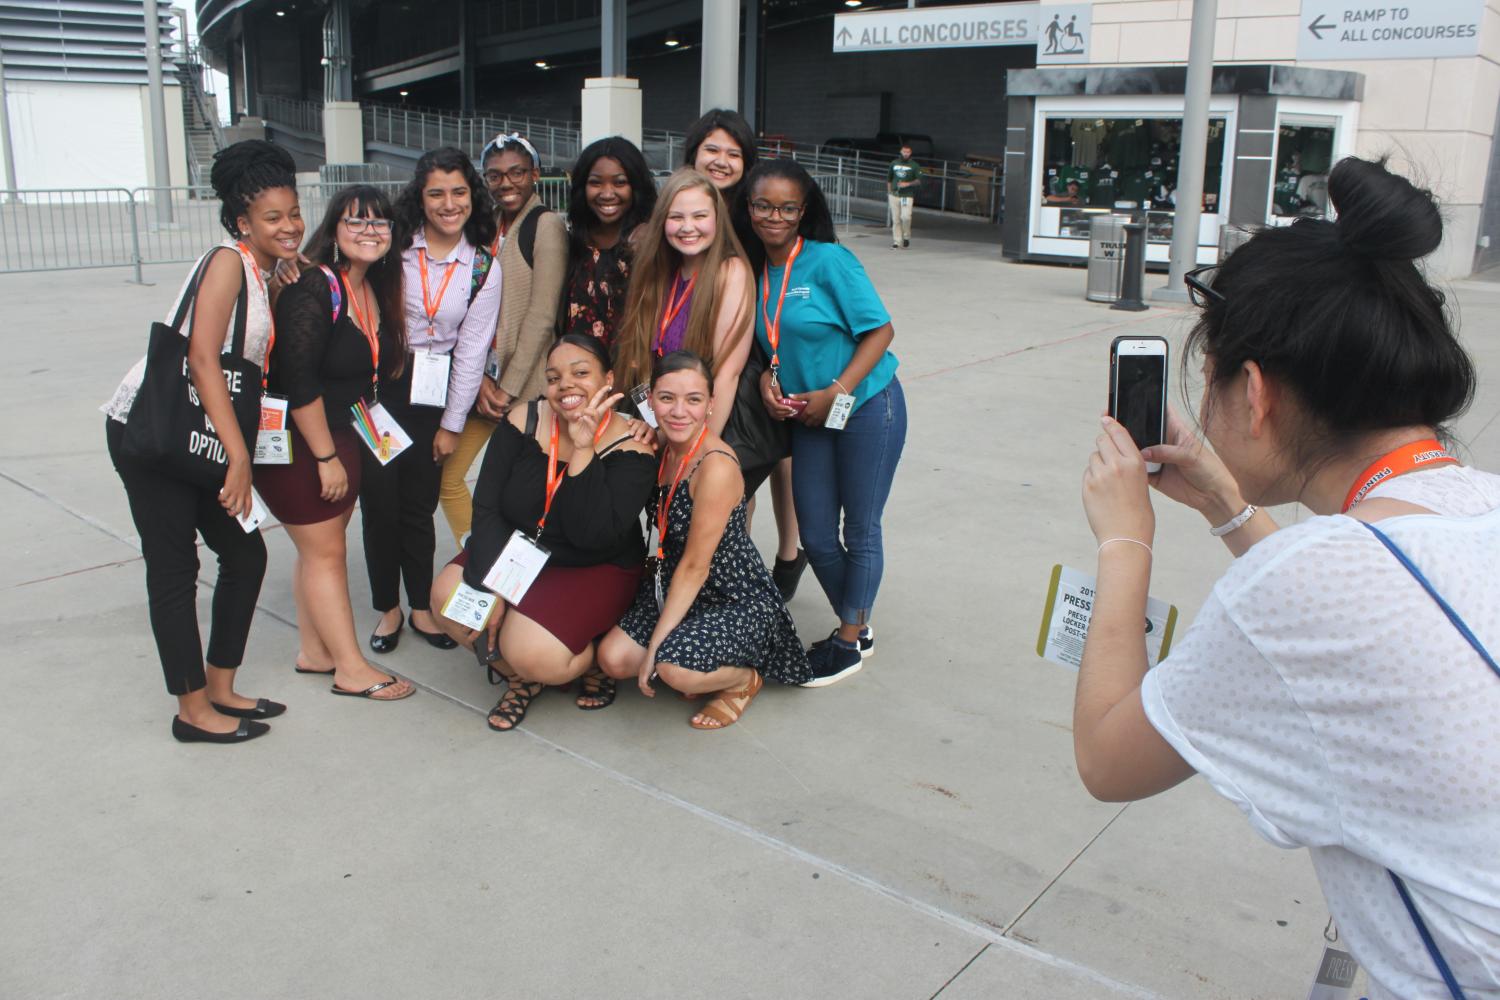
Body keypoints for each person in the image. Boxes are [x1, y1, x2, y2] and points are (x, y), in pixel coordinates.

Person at [1074, 157, 1500, 999]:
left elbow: (1107, 760)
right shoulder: (1474, 506)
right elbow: (1371, 610)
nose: (1206, 401)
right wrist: (1229, 505)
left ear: (1257, 392)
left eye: (1210, 377)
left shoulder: (1312, 581)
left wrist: (1126, 540)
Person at [102, 140, 303, 744]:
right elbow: (201, 357)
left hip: (199, 435)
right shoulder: (226, 261)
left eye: (294, 213)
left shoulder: (262, 268)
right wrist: (239, 456)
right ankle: (191, 711)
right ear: (243, 222)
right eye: (273, 218)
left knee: (244, 556)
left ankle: (219, 685)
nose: (289, 226)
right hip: (156, 432)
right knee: (174, 567)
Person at [430, 335, 655, 730]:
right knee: (452, 602)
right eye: (554, 377)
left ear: (608, 379)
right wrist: (493, 586)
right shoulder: (524, 419)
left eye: (581, 373)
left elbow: (592, 536)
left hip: (592, 565)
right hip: (521, 550)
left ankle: (587, 655)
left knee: (531, 650)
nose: (565, 384)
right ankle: (522, 678)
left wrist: (583, 448)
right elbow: (487, 507)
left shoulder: (633, 446)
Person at [749, 159, 907, 687]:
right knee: (815, 533)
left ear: (803, 211)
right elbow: (766, 343)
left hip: (864, 405)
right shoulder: (752, 271)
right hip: (808, 416)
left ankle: (847, 641)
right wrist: (766, 384)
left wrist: (837, 390)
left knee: (859, 528)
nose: (775, 216)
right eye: (763, 206)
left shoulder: (829, 261)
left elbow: (880, 332)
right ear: (748, 210)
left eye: (787, 207)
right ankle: (858, 619)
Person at [598, 351, 810, 729]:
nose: (679, 411)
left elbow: (696, 567)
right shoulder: (661, 446)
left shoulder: (714, 467)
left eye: (693, 400)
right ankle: (687, 655)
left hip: (730, 596)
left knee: (670, 666)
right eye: (667, 398)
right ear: (651, 402)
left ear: (711, 405)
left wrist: (655, 649)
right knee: (613, 660)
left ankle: (743, 680)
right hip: (674, 585)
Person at [260, 185, 415, 701]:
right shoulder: (314, 286)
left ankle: (314, 650)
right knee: (326, 553)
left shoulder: (371, 287)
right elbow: (298, 381)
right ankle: (351, 668)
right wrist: (325, 457)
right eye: (356, 222)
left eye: (380, 224)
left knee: (315, 550)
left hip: (350, 431)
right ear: (334, 227)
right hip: (308, 441)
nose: (370, 233)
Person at [363, 147, 501, 654]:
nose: (449, 203)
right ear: (419, 199)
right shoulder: (392, 248)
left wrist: (451, 423)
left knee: (419, 504)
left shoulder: (483, 265)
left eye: (459, 192)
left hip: (434, 394)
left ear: (472, 196)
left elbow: (470, 353)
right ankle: (388, 608)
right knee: (379, 504)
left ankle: (421, 606)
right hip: (380, 390)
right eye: (436, 193)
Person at [684, 109, 808, 601]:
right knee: (741, 469)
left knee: (771, 455)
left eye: (733, 153)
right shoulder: (683, 207)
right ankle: (737, 559)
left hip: (765, 345)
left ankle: (787, 554)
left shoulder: (757, 209)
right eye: (711, 150)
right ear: (693, 154)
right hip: (702, 349)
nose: (720, 160)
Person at [438, 133, 569, 547]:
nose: (506, 183)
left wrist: (508, 388)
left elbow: (542, 316)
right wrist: (478, 380)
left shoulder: (545, 224)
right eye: (494, 176)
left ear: (534, 174)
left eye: (516, 173)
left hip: (525, 387)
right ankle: (481, 558)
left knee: (520, 491)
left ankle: (522, 575)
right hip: (483, 382)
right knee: (449, 479)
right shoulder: (486, 225)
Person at [612, 168, 752, 436]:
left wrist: (698, 451)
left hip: (700, 429)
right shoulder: (659, 271)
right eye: (676, 217)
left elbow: (727, 375)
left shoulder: (730, 272)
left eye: (700, 216)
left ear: (717, 219)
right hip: (662, 422)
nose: (688, 227)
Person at [559, 136, 657, 350]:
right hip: (578, 376)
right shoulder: (571, 245)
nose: (607, 193)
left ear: (636, 186)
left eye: (619, 182)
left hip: (635, 375)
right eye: (595, 183)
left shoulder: (650, 245)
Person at [887, 144, 923, 249]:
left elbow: (918, 181)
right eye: (904, 152)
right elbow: (889, 179)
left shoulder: (914, 165)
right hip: (894, 195)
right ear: (900, 152)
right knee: (896, 219)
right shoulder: (894, 163)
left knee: (906, 217)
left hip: (907, 195)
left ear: (910, 153)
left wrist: (908, 184)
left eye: (908, 152)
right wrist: (889, 192)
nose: (905, 154)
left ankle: (906, 236)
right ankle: (897, 241)